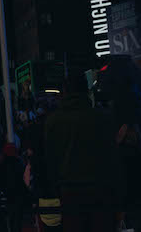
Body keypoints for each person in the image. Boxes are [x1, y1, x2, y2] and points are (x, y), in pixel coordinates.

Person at [44, 70, 122, 232]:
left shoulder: (53, 121)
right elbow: (112, 157)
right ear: (86, 90)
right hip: (100, 189)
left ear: (65, 92)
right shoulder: (101, 118)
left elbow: (50, 159)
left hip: (69, 190)